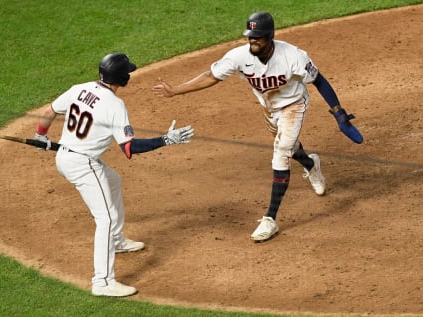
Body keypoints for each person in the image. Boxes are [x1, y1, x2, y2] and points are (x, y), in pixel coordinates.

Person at [152, 12, 362, 242]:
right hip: (269, 108)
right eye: (250, 36)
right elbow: (211, 76)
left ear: (270, 37)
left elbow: (319, 80)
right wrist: (175, 91)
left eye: (258, 37)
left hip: (293, 105)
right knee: (289, 147)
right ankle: (311, 164)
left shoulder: (293, 56)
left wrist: (339, 113)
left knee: (281, 153)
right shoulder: (239, 56)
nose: (253, 41)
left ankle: (269, 219)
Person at [34, 52, 194, 297]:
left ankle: (117, 241)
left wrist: (41, 136)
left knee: (114, 181)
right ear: (122, 77)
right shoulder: (115, 105)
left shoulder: (80, 88)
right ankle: (103, 281)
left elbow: (49, 111)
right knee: (105, 218)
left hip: (65, 157)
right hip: (83, 165)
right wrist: (165, 139)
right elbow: (129, 149)